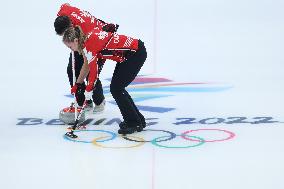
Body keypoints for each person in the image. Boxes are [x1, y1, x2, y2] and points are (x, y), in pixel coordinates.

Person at [60, 20, 147, 134]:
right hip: (127, 55)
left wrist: (89, 89)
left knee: (116, 89)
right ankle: (138, 119)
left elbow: (93, 72)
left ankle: (133, 122)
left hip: (135, 53)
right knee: (118, 88)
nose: (71, 50)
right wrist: (78, 84)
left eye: (70, 46)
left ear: (76, 41)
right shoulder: (86, 39)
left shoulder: (90, 44)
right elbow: (86, 66)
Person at [54, 3, 118, 112]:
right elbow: (66, 4)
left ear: (71, 27)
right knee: (72, 70)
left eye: (65, 34)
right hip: (79, 37)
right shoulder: (63, 12)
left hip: (98, 39)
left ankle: (99, 101)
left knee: (90, 72)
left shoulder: (86, 31)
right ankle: (83, 102)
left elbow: (87, 63)